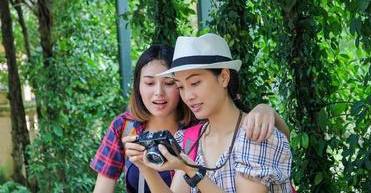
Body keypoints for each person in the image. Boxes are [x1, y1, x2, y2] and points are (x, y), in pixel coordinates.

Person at [92, 44, 290, 193]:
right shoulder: (190, 137)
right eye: (181, 86)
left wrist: (267, 111)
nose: (188, 95)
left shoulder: (252, 132)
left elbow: (278, 135)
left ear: (223, 77)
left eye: (195, 83)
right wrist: (144, 165)